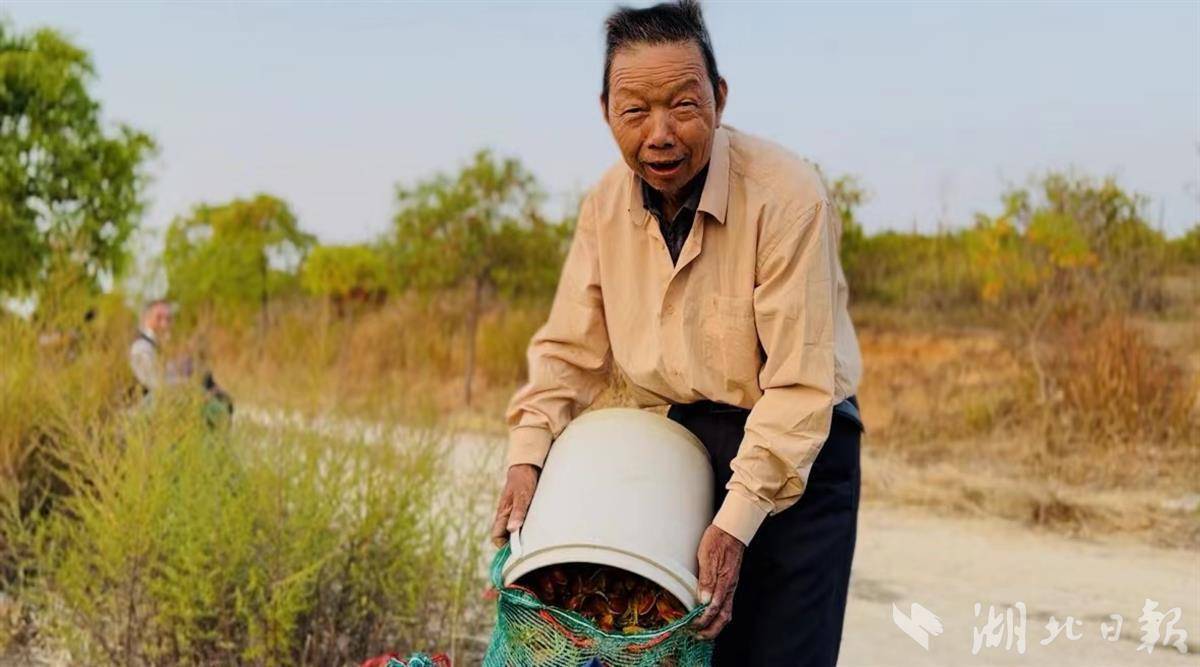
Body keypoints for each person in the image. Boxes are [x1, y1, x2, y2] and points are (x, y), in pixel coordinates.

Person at [491, 2, 864, 665]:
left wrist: (737, 519)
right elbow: (567, 351)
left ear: (719, 100)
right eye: (635, 111)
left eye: (683, 106)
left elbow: (801, 384)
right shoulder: (605, 203)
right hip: (678, 442)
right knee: (664, 648)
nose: (659, 134)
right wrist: (528, 454)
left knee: (779, 651)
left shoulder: (786, 195)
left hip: (799, 449)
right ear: (606, 110)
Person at [130, 299, 232, 423]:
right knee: (216, 408)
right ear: (146, 319)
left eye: (168, 319)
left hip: (166, 403)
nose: (164, 324)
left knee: (222, 399)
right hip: (147, 411)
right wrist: (194, 389)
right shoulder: (141, 347)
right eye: (159, 318)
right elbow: (156, 383)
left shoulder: (161, 346)